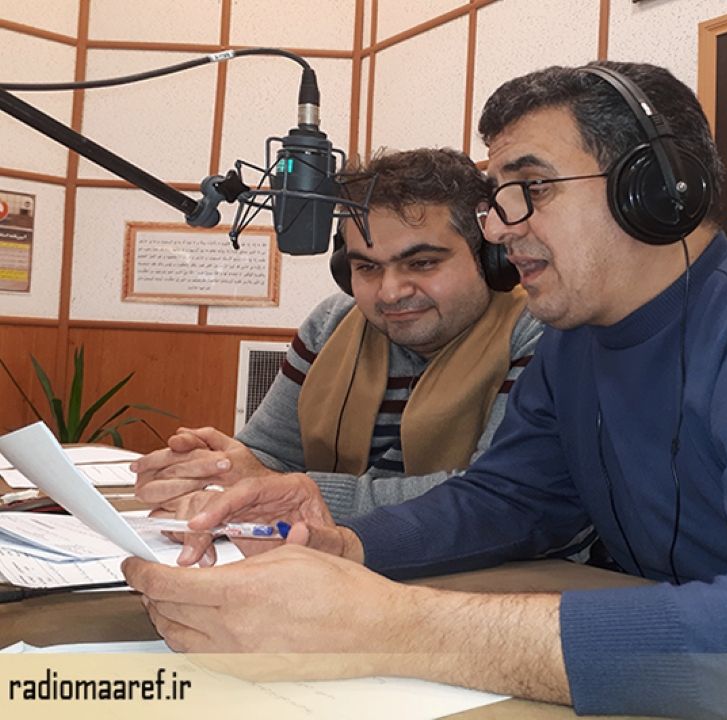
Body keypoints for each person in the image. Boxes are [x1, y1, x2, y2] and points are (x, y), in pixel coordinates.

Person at [124, 62, 727, 717]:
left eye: (529, 188)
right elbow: (510, 501)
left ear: (657, 190)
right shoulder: (575, 343)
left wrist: (400, 626)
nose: (498, 226)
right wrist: (342, 540)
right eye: (495, 196)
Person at [131, 147, 572, 565]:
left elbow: (493, 498)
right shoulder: (332, 322)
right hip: (335, 569)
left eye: (422, 263)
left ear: (490, 257)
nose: (390, 292)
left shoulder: (541, 331)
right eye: (367, 267)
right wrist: (211, 479)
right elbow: (264, 456)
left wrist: (279, 492)